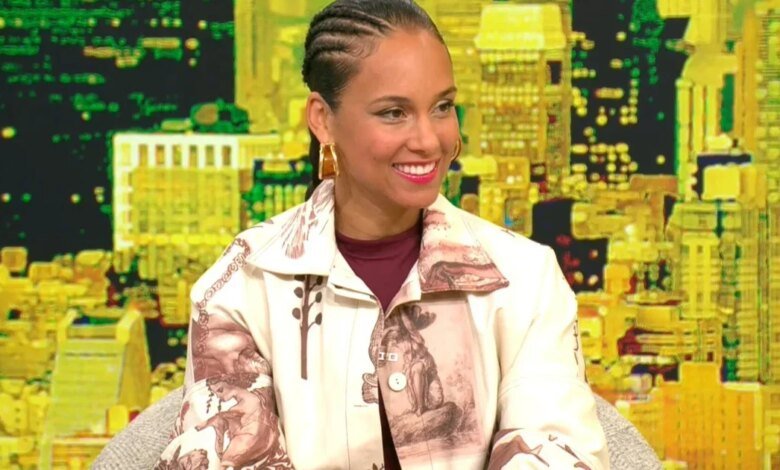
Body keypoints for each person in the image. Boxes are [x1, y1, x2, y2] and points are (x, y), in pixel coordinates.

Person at [156, 0, 609, 468]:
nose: (429, 141)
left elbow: (557, 452)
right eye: (394, 113)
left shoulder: (526, 278)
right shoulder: (243, 282)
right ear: (323, 119)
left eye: (443, 107)